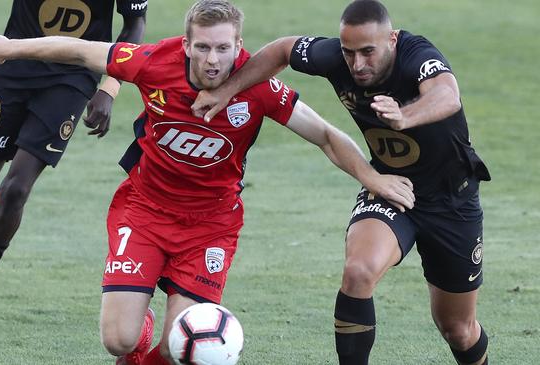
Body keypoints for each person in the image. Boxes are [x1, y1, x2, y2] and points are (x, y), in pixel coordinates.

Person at [0, 1, 417, 364]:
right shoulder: (152, 62)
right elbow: (77, 51)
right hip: (144, 211)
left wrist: (372, 177)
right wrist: (8, 47)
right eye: (202, 47)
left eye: (223, 48)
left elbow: (324, 134)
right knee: (119, 340)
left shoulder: (258, 86)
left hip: (210, 227)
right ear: (186, 44)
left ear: (238, 46)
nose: (212, 60)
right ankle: (138, 321)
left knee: (181, 348)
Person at [191, 1, 492, 364]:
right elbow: (283, 49)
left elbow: (447, 95)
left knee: (457, 328)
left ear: (391, 39)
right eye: (350, 53)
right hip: (391, 189)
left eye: (368, 51)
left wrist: (404, 116)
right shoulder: (334, 57)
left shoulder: (417, 56)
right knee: (358, 271)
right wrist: (228, 90)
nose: (358, 64)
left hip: (452, 201)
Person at [0, 0, 147, 334]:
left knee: (16, 189)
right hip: (13, 64)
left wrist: (109, 90)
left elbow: (134, 24)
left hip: (71, 79)